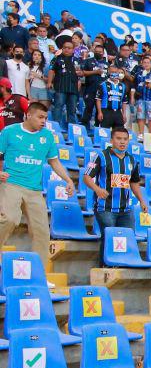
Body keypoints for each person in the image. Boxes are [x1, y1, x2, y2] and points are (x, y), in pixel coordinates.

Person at [0, 102, 75, 260]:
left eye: (45, 118)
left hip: (35, 189)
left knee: (41, 231)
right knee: (9, 219)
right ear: (28, 115)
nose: (43, 121)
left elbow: (54, 161)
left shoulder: (47, 136)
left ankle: (39, 273)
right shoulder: (10, 131)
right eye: (40, 117)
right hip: (11, 184)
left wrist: (68, 180)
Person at [82, 126, 146, 259]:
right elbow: (86, 177)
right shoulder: (100, 156)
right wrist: (97, 189)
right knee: (110, 239)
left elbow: (133, 182)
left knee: (127, 239)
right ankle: (105, 267)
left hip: (126, 210)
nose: (122, 142)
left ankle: (124, 268)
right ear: (111, 140)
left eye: (125, 139)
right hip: (105, 208)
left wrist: (142, 200)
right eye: (118, 139)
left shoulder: (132, 160)